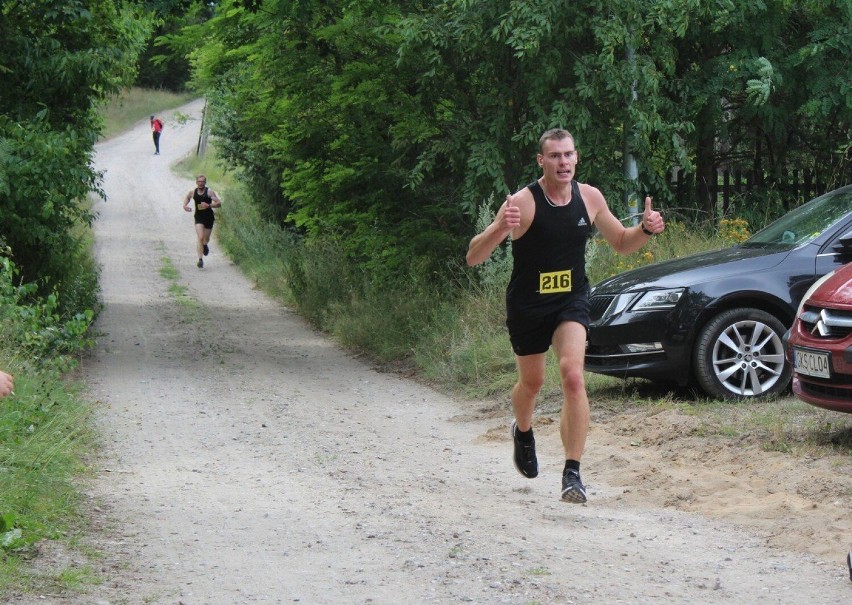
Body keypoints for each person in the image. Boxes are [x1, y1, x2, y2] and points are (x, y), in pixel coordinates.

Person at [466, 128, 664, 504]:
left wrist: (645, 230)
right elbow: (473, 257)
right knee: (532, 384)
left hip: (571, 300)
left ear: (577, 157)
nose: (563, 162)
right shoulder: (523, 202)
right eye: (555, 156)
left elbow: (622, 243)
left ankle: (572, 473)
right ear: (541, 161)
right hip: (528, 306)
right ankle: (523, 432)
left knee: (573, 375)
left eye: (568, 155)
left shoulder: (589, 197)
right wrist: (498, 228)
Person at [182, 175, 222, 268]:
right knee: (200, 237)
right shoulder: (193, 192)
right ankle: (200, 260)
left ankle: (205, 245)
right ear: (196, 182)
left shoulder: (209, 192)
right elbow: (187, 197)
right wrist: (185, 205)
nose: (201, 183)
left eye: (202, 181)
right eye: (199, 181)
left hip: (209, 218)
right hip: (199, 217)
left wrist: (209, 205)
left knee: (206, 239)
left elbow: (219, 203)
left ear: (205, 182)